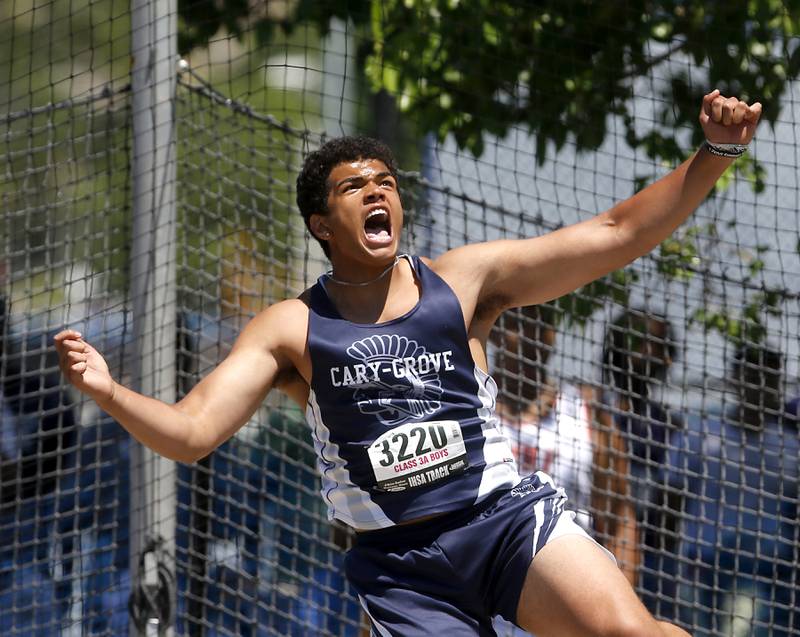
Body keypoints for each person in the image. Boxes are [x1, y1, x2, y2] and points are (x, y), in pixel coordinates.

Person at [55, 89, 760, 637]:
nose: (378, 191)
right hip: (401, 567)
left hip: (502, 520)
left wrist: (714, 153)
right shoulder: (291, 327)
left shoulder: (464, 280)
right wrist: (110, 389)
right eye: (355, 186)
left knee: (629, 630)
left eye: (386, 181)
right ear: (321, 225)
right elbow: (191, 433)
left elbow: (616, 232)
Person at [492, 305, 638, 583]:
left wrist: (622, 596)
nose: (530, 335)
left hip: (573, 586)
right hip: (490, 598)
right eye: (517, 323)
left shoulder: (587, 413)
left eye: (542, 323)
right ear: (494, 331)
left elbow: (621, 517)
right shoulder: (475, 411)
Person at [663, 344, 798, 637]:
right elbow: (669, 502)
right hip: (703, 565)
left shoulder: (790, 446)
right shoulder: (700, 434)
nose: (760, 386)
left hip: (763, 568)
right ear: (736, 378)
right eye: (752, 376)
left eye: (769, 377)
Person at [602, 309, 681, 618]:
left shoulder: (667, 422)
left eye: (664, 348)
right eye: (650, 346)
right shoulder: (598, 411)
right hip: (604, 545)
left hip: (654, 558)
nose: (661, 358)